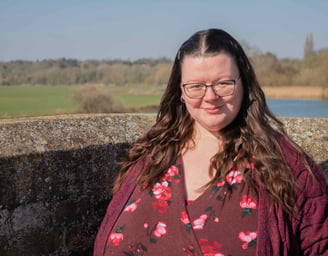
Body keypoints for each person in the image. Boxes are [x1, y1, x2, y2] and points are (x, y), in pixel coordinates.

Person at [94, 29, 328, 256]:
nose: (210, 96)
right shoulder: (151, 157)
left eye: (223, 83)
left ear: (243, 83)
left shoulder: (287, 166)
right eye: (196, 86)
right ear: (181, 92)